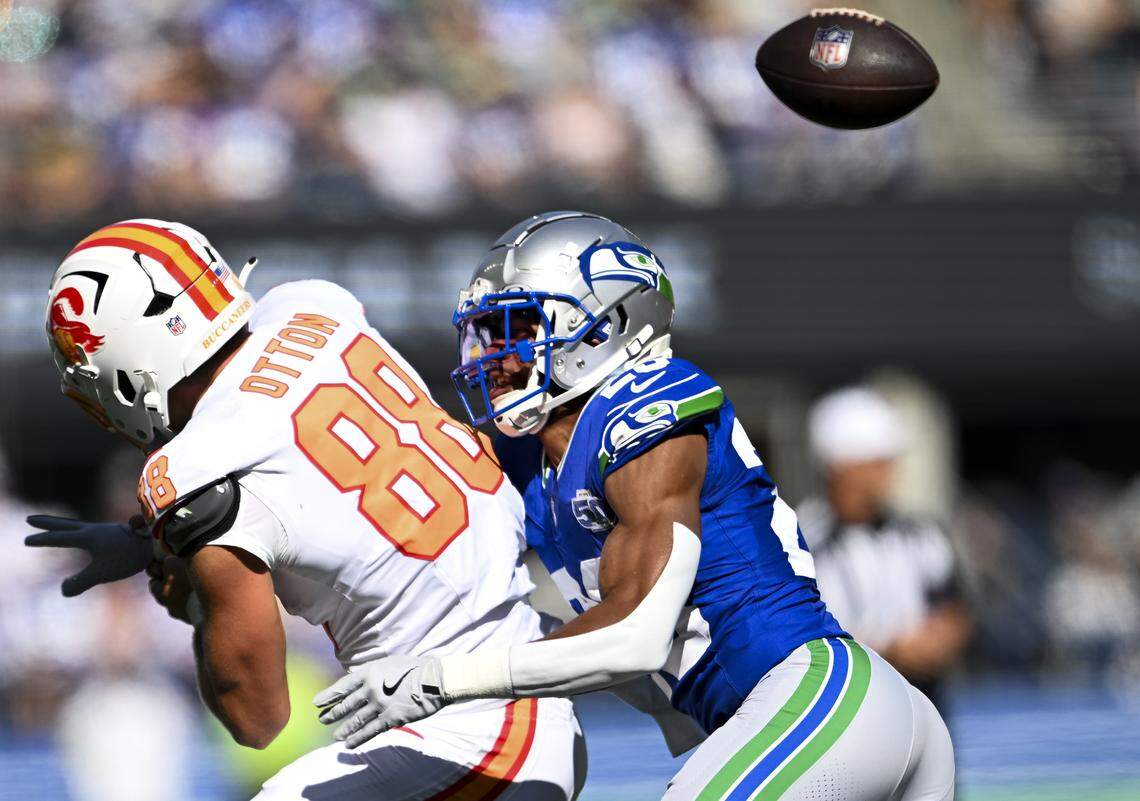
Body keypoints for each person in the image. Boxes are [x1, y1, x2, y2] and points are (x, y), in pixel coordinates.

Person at [313, 212, 956, 801]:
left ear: (607, 324)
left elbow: (635, 637)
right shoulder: (537, 473)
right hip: (790, 722)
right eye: (483, 336)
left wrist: (438, 679)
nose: (494, 359)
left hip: (819, 699)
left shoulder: (648, 403)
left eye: (517, 331)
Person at [25, 219, 585, 801]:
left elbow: (257, 718)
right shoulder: (313, 305)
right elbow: (318, 475)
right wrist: (152, 542)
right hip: (515, 687)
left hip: (463, 733)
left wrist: (194, 600)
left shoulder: (193, 474)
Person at [799, 387, 971, 715]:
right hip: (847, 712)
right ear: (841, 465)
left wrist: (939, 640)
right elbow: (799, 637)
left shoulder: (921, 535)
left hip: (924, 708)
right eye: (877, 461)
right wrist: (889, 651)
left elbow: (954, 604)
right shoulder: (799, 541)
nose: (890, 471)